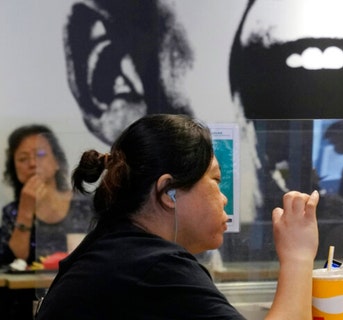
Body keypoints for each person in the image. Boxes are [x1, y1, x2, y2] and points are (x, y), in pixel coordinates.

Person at [35, 114, 320, 319]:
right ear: (168, 191)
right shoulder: (155, 265)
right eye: (215, 181)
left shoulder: (116, 249)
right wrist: (298, 256)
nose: (224, 198)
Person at [0, 124, 94, 319]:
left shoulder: (86, 205)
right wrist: (25, 209)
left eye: (40, 154)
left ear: (57, 161)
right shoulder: (12, 211)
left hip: (81, 294)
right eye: (23, 159)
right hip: (27, 303)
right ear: (14, 168)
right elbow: (14, 259)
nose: (32, 164)